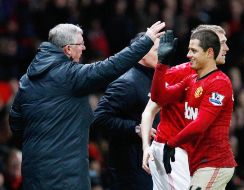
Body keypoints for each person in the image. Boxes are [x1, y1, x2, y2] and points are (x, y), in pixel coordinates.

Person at [8, 21, 166, 190]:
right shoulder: (70, 76)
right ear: (68, 49)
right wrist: (146, 41)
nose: (84, 48)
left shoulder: (26, 80)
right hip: (65, 176)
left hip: (33, 173)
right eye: (80, 44)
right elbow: (110, 66)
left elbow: (15, 124)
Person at [141, 25, 230, 190]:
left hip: (191, 155)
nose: (226, 48)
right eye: (222, 43)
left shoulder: (215, 79)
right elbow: (149, 111)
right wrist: (146, 147)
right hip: (172, 152)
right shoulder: (179, 73)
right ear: (210, 47)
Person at [90, 32, 160, 190]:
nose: (162, 54)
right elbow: (99, 119)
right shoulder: (126, 83)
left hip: (151, 166)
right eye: (157, 50)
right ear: (141, 52)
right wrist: (135, 128)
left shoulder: (156, 78)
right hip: (130, 171)